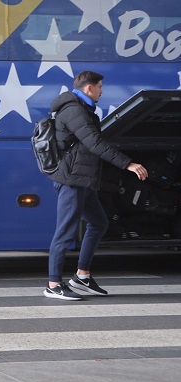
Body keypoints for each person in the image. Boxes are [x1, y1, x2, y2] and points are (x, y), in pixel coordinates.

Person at [44, 71, 148, 300]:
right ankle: (53, 284)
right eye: (100, 87)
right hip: (72, 180)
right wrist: (128, 164)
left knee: (99, 223)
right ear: (88, 88)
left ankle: (82, 276)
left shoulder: (83, 109)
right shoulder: (74, 110)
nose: (102, 91)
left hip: (83, 179)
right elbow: (94, 143)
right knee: (65, 232)